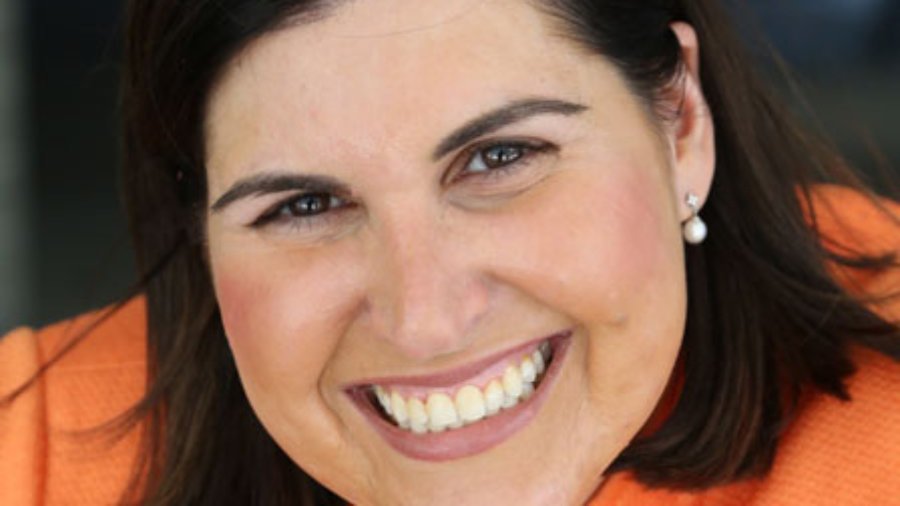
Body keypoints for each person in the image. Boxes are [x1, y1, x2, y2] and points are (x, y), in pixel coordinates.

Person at [2, 0, 900, 504]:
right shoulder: (35, 450)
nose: (424, 320)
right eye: (304, 204)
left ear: (681, 126)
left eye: (500, 158)